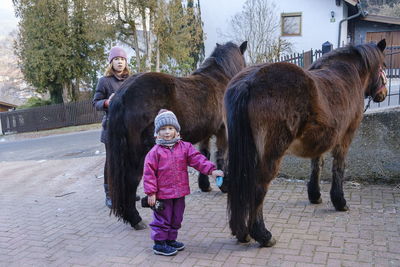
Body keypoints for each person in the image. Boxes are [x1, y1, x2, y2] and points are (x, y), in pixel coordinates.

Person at [143, 109, 224, 256]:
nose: (167, 132)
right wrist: (151, 192)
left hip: (179, 192)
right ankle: (160, 243)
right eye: (163, 129)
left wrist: (212, 171)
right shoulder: (154, 153)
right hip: (162, 195)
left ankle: (171, 240)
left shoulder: (185, 148)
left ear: (176, 130)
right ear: (157, 132)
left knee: (176, 218)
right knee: (162, 219)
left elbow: (198, 160)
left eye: (170, 128)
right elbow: (149, 174)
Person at [93, 46, 133, 208]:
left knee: (128, 161)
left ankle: (126, 192)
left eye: (122, 59)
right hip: (111, 128)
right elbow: (95, 102)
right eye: (116, 59)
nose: (120, 62)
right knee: (111, 162)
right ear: (111, 62)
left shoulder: (131, 80)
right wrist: (107, 102)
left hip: (129, 128)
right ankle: (109, 194)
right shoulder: (104, 81)